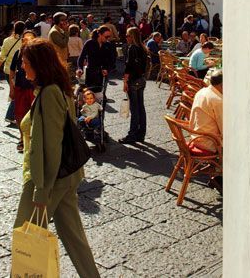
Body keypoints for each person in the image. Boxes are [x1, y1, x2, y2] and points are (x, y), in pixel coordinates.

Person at [15, 39, 100, 278]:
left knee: (27, 241)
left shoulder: (50, 92)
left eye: (25, 62)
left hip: (47, 179)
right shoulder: (55, 88)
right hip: (64, 176)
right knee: (74, 238)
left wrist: (41, 190)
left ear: (38, 65)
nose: (22, 67)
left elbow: (51, 145)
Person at [190, 69, 223, 190]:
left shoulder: (202, 91)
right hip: (208, 142)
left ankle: (218, 175)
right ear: (222, 85)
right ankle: (220, 177)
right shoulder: (218, 100)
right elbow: (225, 129)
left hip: (196, 136)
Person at [120, 27, 149, 144]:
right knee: (141, 108)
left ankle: (132, 135)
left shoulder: (132, 48)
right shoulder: (143, 48)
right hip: (141, 80)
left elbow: (129, 66)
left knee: (135, 109)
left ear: (132, 37)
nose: (126, 38)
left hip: (133, 80)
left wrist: (125, 81)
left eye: (127, 35)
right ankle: (141, 134)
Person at [9, 31, 36, 152]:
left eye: (30, 39)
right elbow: (11, 72)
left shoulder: (37, 54)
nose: (28, 41)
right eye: (25, 39)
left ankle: (32, 137)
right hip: (20, 87)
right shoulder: (18, 53)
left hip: (33, 88)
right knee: (19, 113)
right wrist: (11, 88)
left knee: (34, 114)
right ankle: (22, 137)